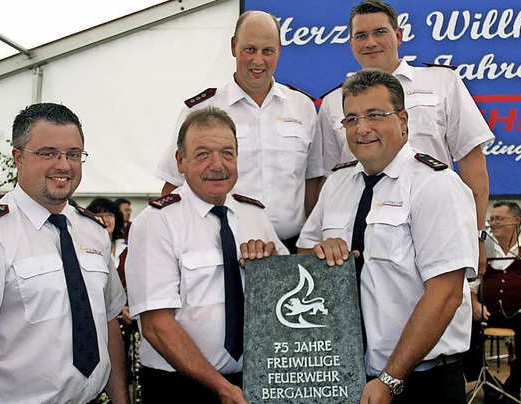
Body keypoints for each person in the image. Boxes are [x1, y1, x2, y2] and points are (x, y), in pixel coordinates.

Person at [298, 69, 477, 402]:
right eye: (351, 119)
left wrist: (390, 379)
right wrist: (322, 251)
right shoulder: (337, 184)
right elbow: (304, 256)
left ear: (404, 120)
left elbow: (446, 294)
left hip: (420, 382)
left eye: (375, 115)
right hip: (345, 375)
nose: (362, 129)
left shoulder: (436, 185)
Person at [0, 103, 129, 403]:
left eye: (74, 154)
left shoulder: (93, 231)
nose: (64, 165)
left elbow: (108, 321)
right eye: (48, 153)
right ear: (18, 158)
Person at [318, 0, 494, 274]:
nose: (371, 42)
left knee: (441, 306)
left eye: (380, 32)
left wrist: (477, 235)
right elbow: (331, 179)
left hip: (438, 226)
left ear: (398, 35)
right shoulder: (332, 102)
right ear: (351, 43)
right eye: (361, 36)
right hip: (366, 239)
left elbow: (473, 165)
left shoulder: (442, 83)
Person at [128, 106, 288, 403]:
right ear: (180, 161)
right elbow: (156, 326)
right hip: (181, 387)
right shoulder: (155, 222)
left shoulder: (255, 216)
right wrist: (221, 387)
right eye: (203, 154)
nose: (218, 165)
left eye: (227, 153)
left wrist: (273, 268)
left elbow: (287, 297)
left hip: (256, 381)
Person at [155, 10, 324, 252]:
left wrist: (308, 240)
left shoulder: (303, 107)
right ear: (234, 46)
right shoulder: (201, 110)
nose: (258, 61)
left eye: (268, 51)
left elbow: (312, 181)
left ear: (279, 50)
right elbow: (174, 183)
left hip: (290, 247)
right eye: (250, 49)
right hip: (222, 247)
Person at [468, 201, 521, 401]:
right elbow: (472, 284)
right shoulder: (484, 247)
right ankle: (488, 382)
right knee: (458, 325)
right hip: (488, 313)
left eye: (499, 219)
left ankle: (514, 384)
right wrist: (474, 303)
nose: (493, 223)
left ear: (516, 221)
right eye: (491, 219)